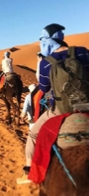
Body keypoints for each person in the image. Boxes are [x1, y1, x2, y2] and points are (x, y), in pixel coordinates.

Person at [16, 23, 89, 184]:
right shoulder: (83, 52)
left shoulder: (46, 62)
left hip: (61, 109)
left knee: (33, 135)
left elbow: (44, 87)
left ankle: (29, 171)